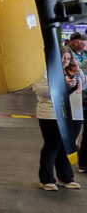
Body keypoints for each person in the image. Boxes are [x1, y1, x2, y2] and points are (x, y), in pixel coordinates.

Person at [33, 46, 83, 191]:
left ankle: (66, 177)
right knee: (52, 144)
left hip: (67, 113)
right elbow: (40, 90)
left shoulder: (69, 70)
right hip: (49, 113)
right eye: (63, 58)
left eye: (68, 59)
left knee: (65, 146)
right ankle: (46, 179)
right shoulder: (44, 70)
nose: (65, 62)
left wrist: (77, 71)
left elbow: (81, 86)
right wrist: (62, 85)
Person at [68, 32, 87, 171]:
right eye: (82, 41)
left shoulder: (84, 55)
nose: (84, 44)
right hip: (74, 96)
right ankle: (72, 149)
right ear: (75, 42)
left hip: (81, 94)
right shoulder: (68, 54)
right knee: (75, 126)